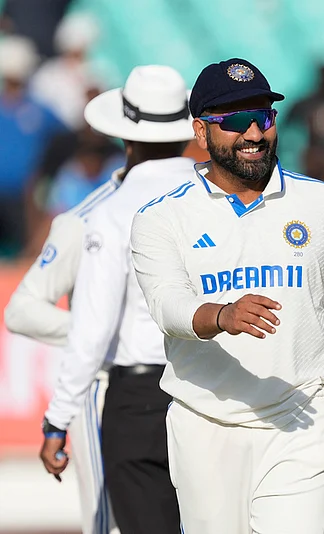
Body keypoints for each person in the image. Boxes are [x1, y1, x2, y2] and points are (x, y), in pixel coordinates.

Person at [129, 58, 324, 534]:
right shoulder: (162, 217)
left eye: (263, 118)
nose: (254, 133)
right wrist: (221, 315)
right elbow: (167, 306)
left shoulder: (323, 204)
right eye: (233, 121)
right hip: (206, 421)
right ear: (200, 132)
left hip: (305, 418)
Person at [39, 64, 196, 534]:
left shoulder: (110, 213)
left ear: (125, 138)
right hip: (220, 387)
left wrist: (57, 418)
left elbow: (91, 329)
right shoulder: (219, 195)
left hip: (142, 398)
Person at [4, 126, 123, 534]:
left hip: (170, 385)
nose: (91, 159)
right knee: (110, 519)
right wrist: (108, 334)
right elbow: (22, 309)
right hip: (108, 382)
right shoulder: (83, 201)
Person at [0, 35, 66, 257]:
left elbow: (65, 135)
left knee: (25, 253)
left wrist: (44, 174)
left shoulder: (38, 108)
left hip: (24, 197)